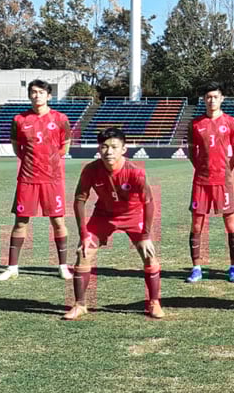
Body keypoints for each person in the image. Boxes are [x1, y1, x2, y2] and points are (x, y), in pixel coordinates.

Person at [63, 128, 163, 320]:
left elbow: (149, 202)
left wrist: (145, 235)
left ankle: (154, 302)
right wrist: (83, 234)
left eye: (114, 147)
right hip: (103, 216)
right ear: (99, 149)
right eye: (104, 147)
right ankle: (80, 305)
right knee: (83, 253)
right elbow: (79, 200)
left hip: (133, 215)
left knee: (149, 254)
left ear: (123, 149)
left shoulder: (135, 172)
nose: (109, 151)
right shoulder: (91, 169)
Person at [0, 79, 73, 282]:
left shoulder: (60, 118)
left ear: (49, 96)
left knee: (58, 221)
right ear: (29, 95)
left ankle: (63, 266)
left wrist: (51, 161)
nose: (36, 95)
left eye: (40, 92)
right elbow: (17, 148)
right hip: (28, 178)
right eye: (33, 92)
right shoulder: (19, 120)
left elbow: (65, 146)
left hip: (52, 178)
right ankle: (13, 267)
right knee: (20, 222)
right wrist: (32, 163)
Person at [185, 82, 234, 283]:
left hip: (223, 181)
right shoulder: (195, 124)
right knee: (197, 224)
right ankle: (196, 268)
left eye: (215, 97)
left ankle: (233, 268)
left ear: (221, 98)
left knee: (231, 224)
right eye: (208, 97)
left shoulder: (232, 122)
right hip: (201, 181)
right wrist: (201, 168)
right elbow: (192, 152)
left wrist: (225, 171)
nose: (211, 100)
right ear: (204, 100)